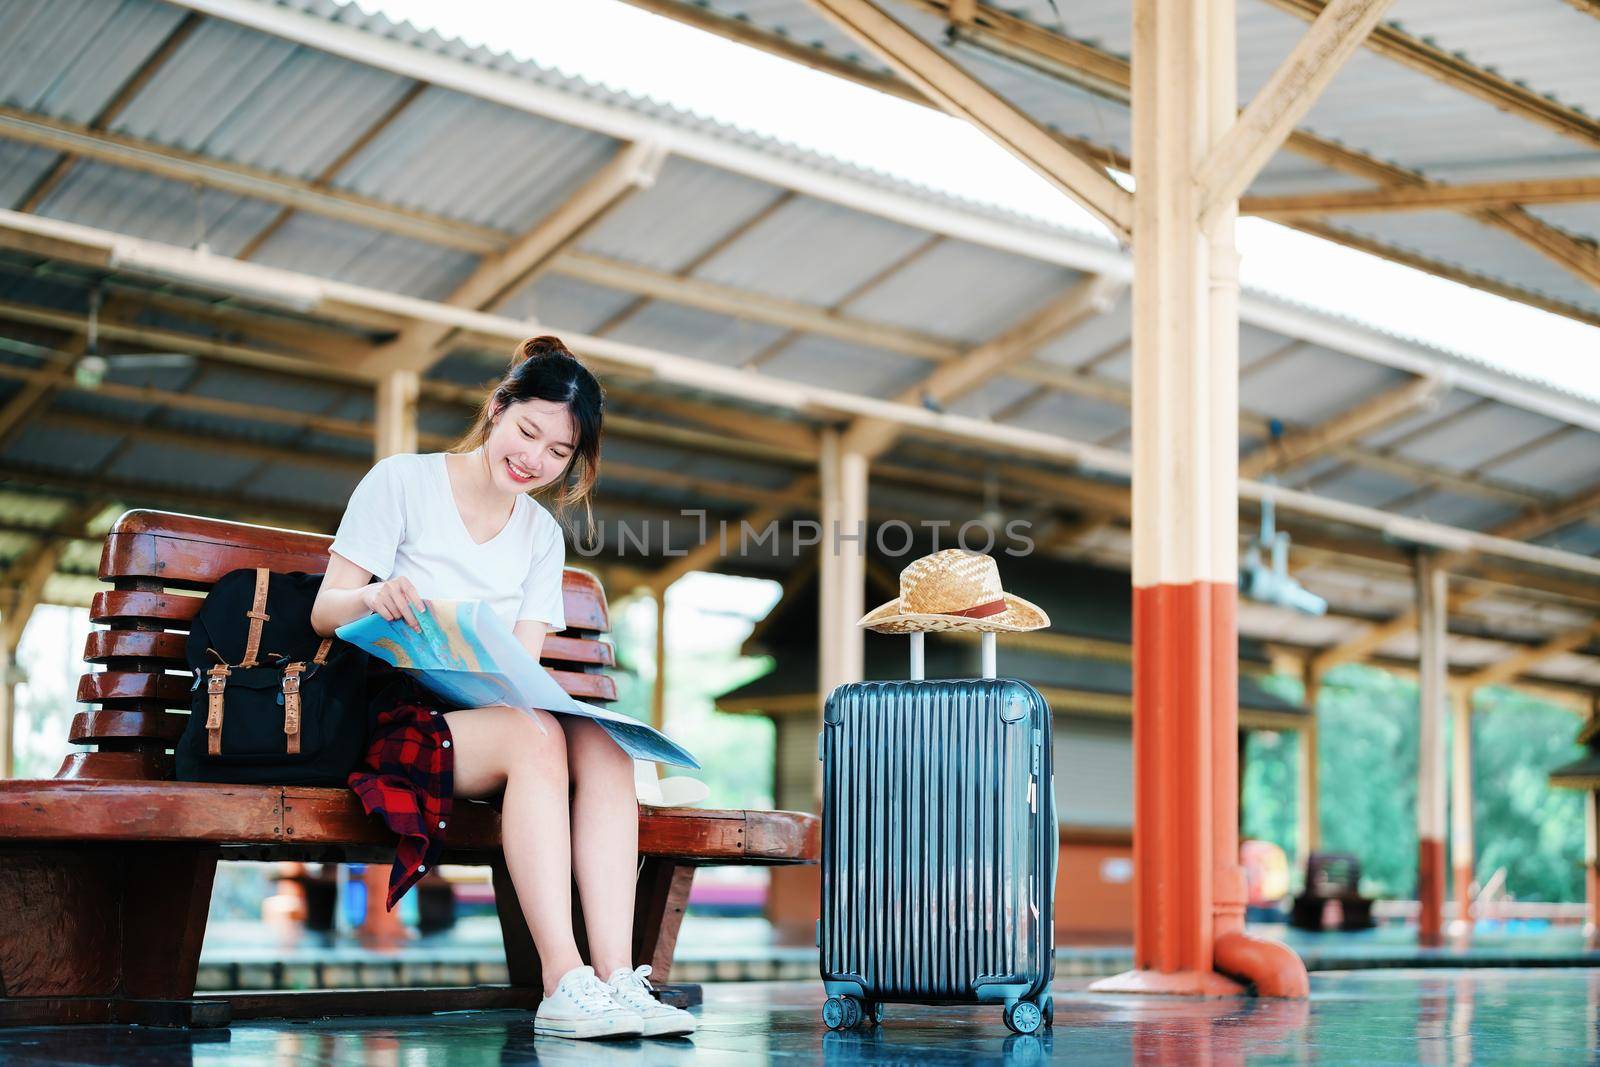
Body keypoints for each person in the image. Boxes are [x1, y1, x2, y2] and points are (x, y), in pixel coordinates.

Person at [311, 335, 694, 1041]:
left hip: (487, 718)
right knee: (535, 735)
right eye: (527, 431)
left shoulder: (542, 536)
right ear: (497, 408)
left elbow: (518, 670)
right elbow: (324, 609)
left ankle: (617, 978)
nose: (535, 460)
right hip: (395, 714)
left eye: (558, 452)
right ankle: (562, 980)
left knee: (607, 747)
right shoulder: (402, 482)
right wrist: (376, 596)